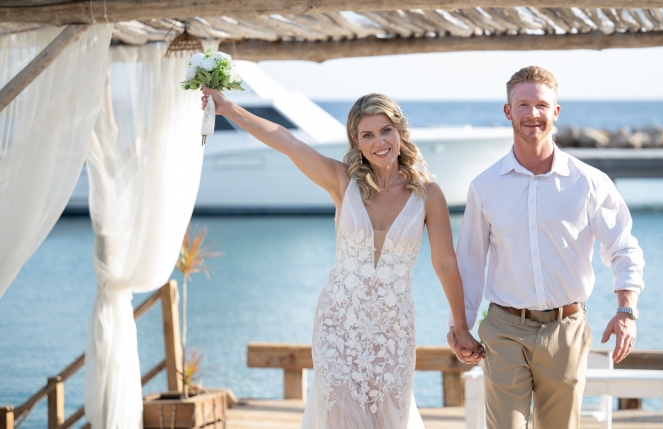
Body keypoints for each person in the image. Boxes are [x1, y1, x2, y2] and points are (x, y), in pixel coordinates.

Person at [202, 88, 483, 429]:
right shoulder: (342, 182)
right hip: (338, 325)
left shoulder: (428, 194)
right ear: (356, 140)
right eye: (368, 134)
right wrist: (230, 108)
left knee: (389, 416)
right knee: (338, 414)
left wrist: (461, 327)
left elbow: (445, 264)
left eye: (385, 131)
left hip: (393, 330)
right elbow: (287, 141)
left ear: (399, 132)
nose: (379, 142)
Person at [446, 66, 645, 429]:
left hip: (565, 329)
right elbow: (470, 264)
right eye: (522, 104)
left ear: (555, 111)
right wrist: (460, 326)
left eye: (541, 105)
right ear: (508, 111)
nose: (532, 114)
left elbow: (623, 246)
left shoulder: (589, 183)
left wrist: (626, 311)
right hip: (505, 326)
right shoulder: (485, 185)